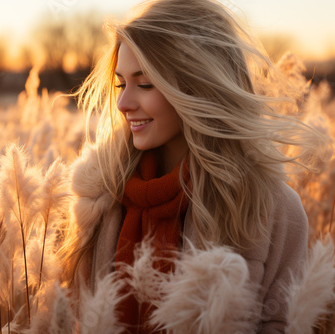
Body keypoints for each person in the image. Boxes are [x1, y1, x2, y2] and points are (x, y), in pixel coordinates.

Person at [60, 0, 329, 332]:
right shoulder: (100, 197)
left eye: (144, 84)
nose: (123, 103)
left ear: (197, 85)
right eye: (121, 83)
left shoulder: (271, 209)